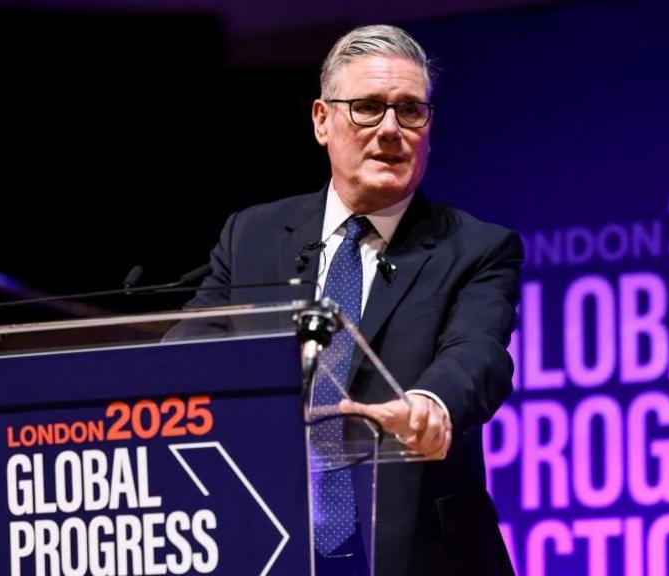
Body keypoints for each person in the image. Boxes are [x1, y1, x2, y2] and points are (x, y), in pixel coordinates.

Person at [185, 24, 523, 576]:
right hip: (265, 545)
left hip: (420, 554)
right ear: (322, 120)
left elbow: (478, 353)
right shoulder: (251, 235)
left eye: (411, 110)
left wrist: (429, 406)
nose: (391, 129)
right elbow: (186, 353)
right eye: (367, 107)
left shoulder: (477, 248)